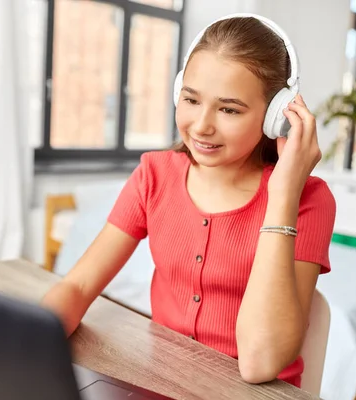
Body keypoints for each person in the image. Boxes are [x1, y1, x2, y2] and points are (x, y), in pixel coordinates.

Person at [41, 14, 336, 388]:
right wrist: (26, 346)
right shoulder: (155, 174)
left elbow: (260, 364)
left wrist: (283, 194)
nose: (201, 126)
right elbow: (78, 287)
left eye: (229, 109)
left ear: (276, 117)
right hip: (163, 382)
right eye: (191, 100)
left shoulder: (309, 199)